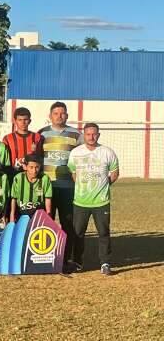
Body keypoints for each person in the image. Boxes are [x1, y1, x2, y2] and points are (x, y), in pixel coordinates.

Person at [68, 123, 119, 275]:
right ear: (84, 135)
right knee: (78, 233)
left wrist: (103, 186)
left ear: (98, 135)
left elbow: (115, 173)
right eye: (88, 134)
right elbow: (73, 173)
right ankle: (77, 262)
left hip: (101, 202)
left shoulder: (107, 152)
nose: (91, 137)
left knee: (103, 233)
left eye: (94, 134)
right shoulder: (76, 153)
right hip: (80, 202)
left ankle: (105, 263)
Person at [38, 101, 82, 270]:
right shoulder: (41, 134)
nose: (59, 116)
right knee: (46, 222)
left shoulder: (76, 135)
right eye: (55, 113)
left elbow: (81, 158)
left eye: (62, 113)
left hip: (68, 188)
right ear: (50, 116)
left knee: (67, 224)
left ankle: (64, 259)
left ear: (67, 116)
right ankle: (44, 257)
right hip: (46, 187)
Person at [9, 154, 52, 222]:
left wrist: (48, 214)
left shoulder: (45, 179)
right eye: (31, 167)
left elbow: (48, 199)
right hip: (21, 214)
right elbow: (14, 198)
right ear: (25, 167)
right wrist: (12, 215)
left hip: (38, 215)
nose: (34, 170)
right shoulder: (18, 178)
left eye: (37, 167)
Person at [3, 107, 43, 173]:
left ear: (29, 121)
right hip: (13, 175)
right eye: (20, 120)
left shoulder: (38, 137)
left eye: (25, 119)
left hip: (33, 175)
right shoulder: (7, 139)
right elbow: (5, 160)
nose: (23, 122)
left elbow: (41, 158)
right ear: (15, 121)